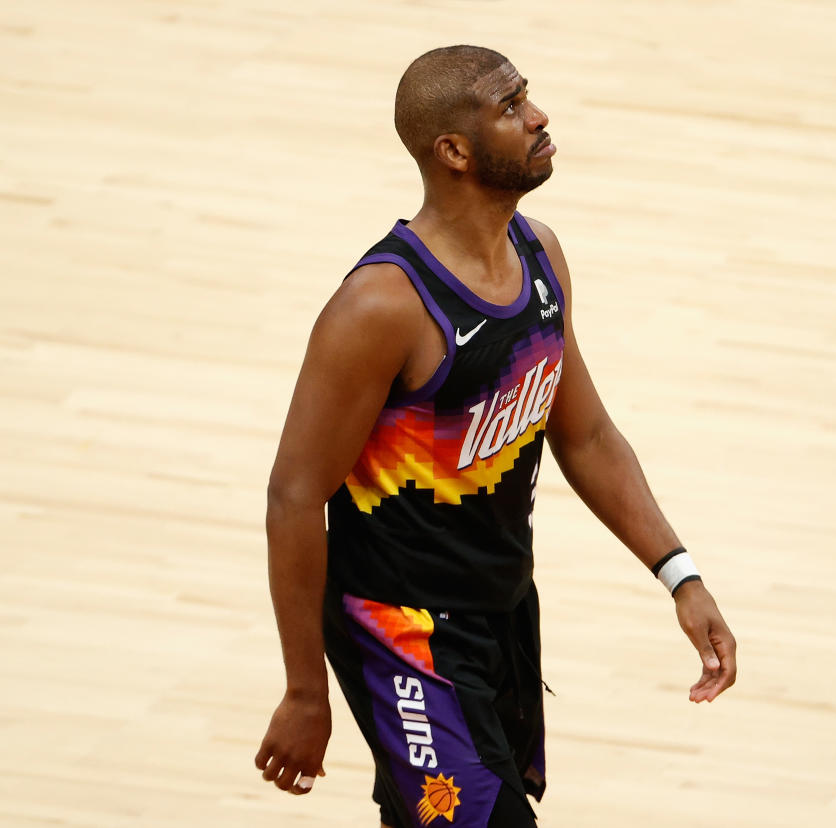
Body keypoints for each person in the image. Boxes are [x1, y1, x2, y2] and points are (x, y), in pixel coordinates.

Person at [253, 45, 737, 828]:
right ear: (453, 151)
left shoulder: (538, 255)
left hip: (503, 612)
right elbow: (293, 495)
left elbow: (586, 435)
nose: (539, 116)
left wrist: (680, 574)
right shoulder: (382, 307)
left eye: (527, 97)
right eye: (510, 107)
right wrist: (306, 690)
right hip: (403, 635)